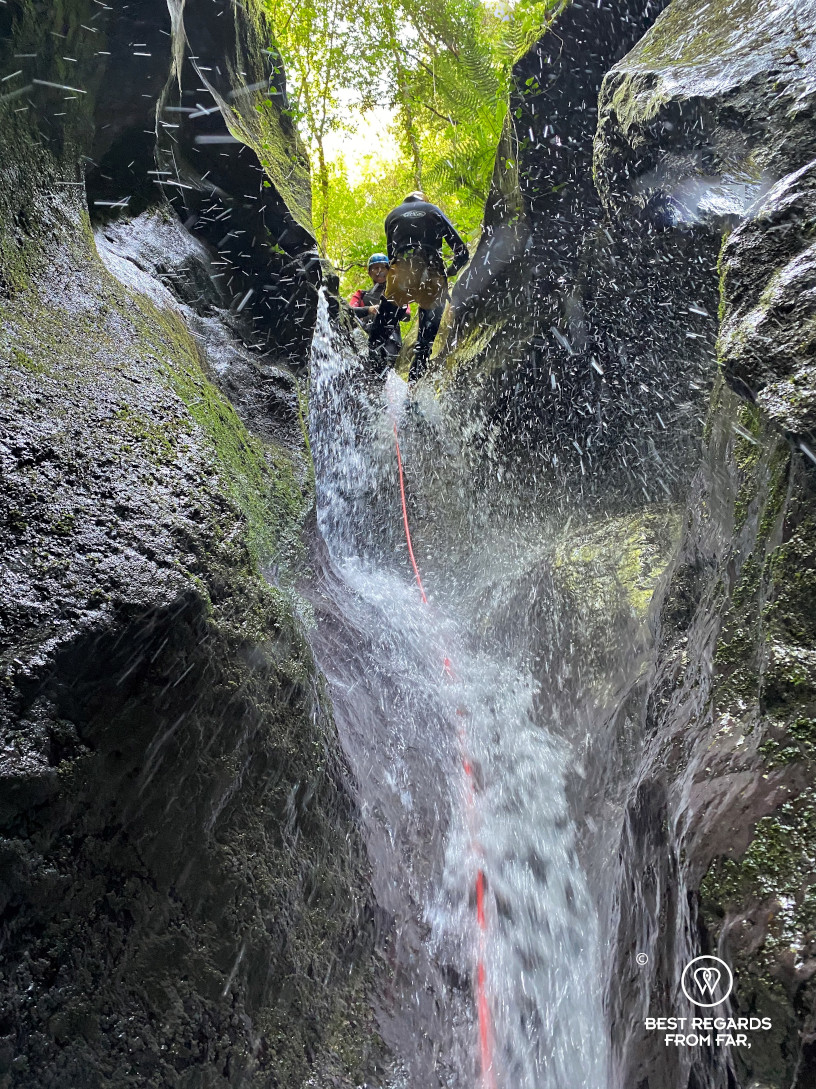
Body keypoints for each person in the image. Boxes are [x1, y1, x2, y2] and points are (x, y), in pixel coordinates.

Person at [368, 191, 469, 384]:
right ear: (424, 200)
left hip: (401, 275)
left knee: (377, 338)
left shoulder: (392, 216)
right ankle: (413, 394)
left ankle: (373, 384)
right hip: (432, 276)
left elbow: (392, 257)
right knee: (423, 347)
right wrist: (449, 272)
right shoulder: (433, 211)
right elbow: (462, 252)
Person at [348, 253, 410, 368]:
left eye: (382, 267)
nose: (379, 271)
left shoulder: (397, 294)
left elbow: (407, 315)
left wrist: (388, 308)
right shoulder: (361, 294)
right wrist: (368, 309)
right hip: (367, 338)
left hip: (391, 341)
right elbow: (348, 311)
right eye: (375, 268)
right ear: (369, 272)